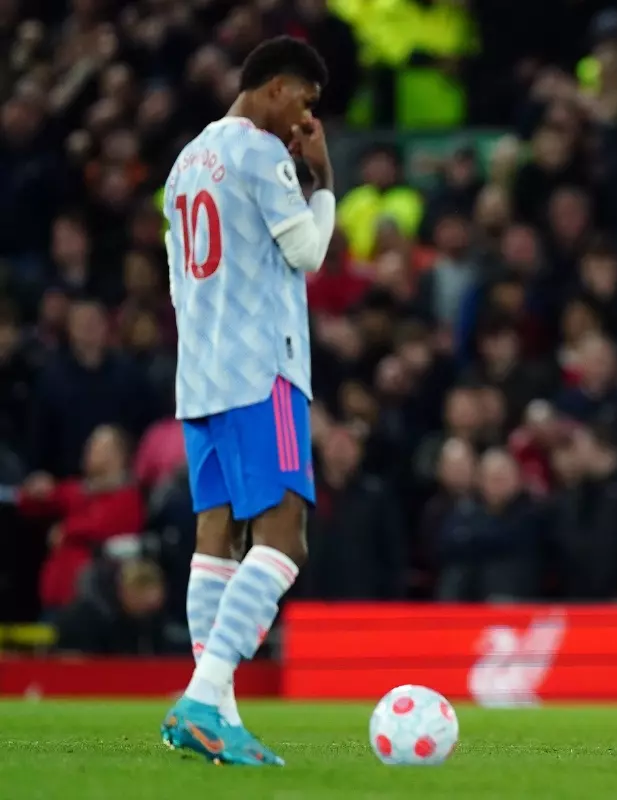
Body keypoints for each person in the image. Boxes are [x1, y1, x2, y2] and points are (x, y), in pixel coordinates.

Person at [159, 36, 334, 766]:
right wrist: (323, 182)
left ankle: (215, 713)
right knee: (284, 538)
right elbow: (308, 253)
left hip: (200, 372)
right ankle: (204, 698)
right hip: (262, 369)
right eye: (304, 101)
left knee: (216, 539)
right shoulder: (262, 154)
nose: (304, 120)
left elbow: (176, 281)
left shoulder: (182, 165)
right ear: (274, 87)